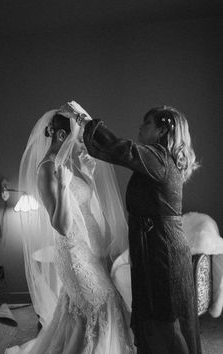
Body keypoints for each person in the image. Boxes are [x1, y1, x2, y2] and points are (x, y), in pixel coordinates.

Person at [61, 101, 202, 354]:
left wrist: (83, 120)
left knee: (165, 322)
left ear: (161, 130)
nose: (140, 126)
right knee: (157, 319)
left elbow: (121, 149)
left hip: (163, 251)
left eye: (146, 123)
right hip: (155, 246)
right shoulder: (159, 160)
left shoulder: (159, 158)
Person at [5, 109, 134, 353]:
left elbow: (85, 207)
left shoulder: (65, 165)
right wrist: (63, 187)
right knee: (102, 304)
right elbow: (62, 225)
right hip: (74, 254)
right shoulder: (46, 169)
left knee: (92, 310)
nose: (81, 144)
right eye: (77, 139)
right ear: (62, 136)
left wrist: (89, 176)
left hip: (90, 251)